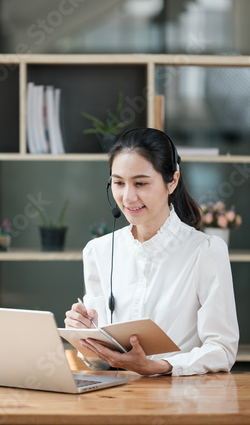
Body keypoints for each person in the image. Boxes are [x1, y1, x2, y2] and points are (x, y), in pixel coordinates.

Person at [64, 128, 239, 376]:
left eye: (141, 183)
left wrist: (156, 367)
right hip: (117, 399)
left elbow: (222, 350)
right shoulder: (98, 251)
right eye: (118, 183)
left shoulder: (205, 251)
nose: (128, 197)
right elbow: (101, 362)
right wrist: (84, 335)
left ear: (173, 181)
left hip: (182, 401)